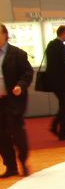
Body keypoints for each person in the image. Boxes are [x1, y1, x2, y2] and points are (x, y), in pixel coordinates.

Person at [0, 23, 33, 177]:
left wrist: (21, 86)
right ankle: (10, 166)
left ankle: (23, 162)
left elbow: (27, 73)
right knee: (2, 136)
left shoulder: (17, 54)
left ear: (5, 35)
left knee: (17, 133)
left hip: (13, 101)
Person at [44, 24, 65, 140]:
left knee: (64, 106)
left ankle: (55, 127)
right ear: (64, 33)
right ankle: (63, 132)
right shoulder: (61, 47)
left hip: (53, 82)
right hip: (63, 82)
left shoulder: (51, 45)